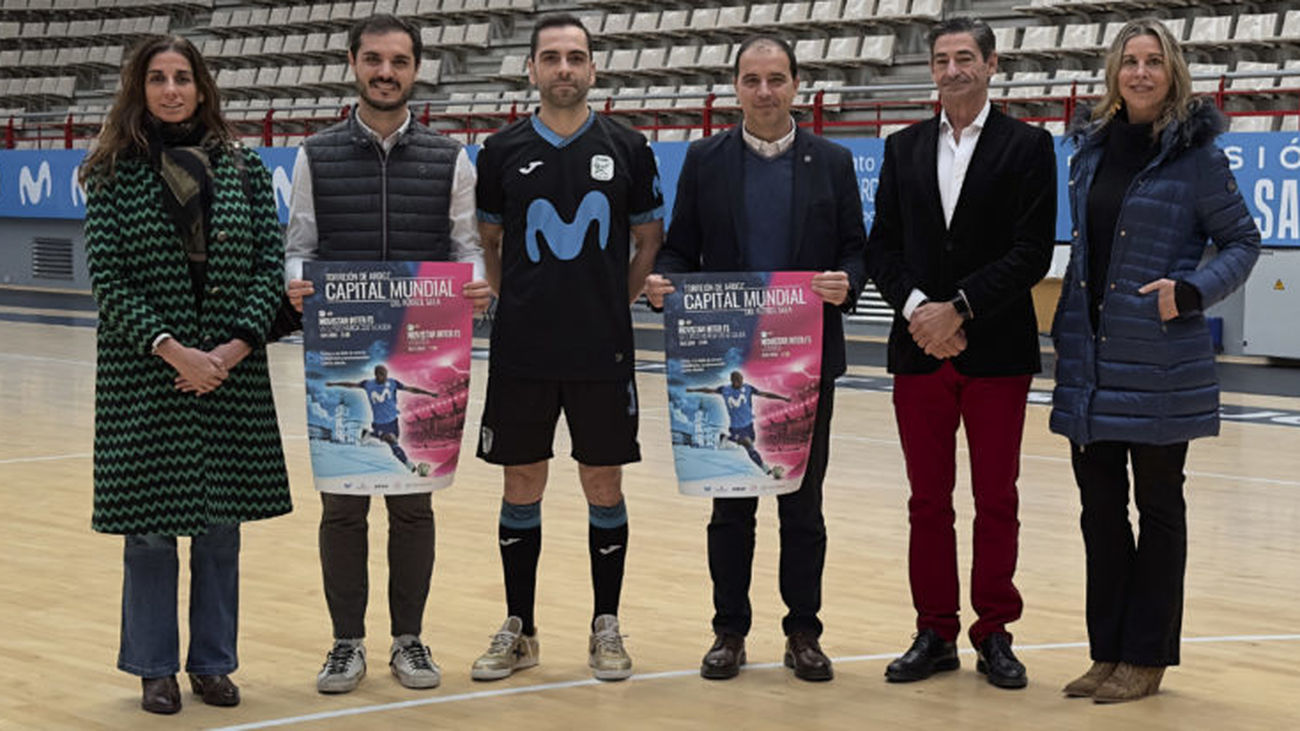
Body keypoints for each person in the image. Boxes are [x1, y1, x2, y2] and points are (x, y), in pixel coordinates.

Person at [81, 34, 292, 715]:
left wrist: (227, 352)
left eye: (182, 77)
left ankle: (212, 663)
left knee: (220, 526)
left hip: (230, 373)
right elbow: (109, 282)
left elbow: (269, 267)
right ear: (138, 90)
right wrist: (175, 351)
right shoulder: (110, 172)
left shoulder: (245, 167)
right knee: (149, 531)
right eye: (157, 78)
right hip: (146, 375)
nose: (171, 90)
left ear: (202, 88)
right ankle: (153, 668)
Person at [1050, 17, 1259, 703]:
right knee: (1099, 511)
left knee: (1159, 508)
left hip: (1161, 362)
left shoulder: (1197, 156)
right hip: (1090, 360)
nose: (1141, 73)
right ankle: (1107, 651)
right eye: (1130, 61)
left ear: (1173, 73)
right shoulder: (1089, 150)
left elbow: (1242, 242)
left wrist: (1192, 290)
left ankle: (1146, 657)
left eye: (1154, 62)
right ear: (1114, 72)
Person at [646, 34, 867, 682]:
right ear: (735, 88)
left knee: (802, 505)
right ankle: (729, 630)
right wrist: (664, 281)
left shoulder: (832, 161)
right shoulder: (704, 159)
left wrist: (846, 282)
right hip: (726, 356)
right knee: (731, 506)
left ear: (797, 84)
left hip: (805, 358)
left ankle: (804, 631)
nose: (765, 91)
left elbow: (856, 250)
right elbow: (680, 248)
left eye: (776, 79)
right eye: (752, 80)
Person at [281, 14, 490, 694]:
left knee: (412, 507)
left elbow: (465, 246)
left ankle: (408, 640)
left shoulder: (450, 157)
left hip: (424, 349)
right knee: (342, 509)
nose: (386, 72)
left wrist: (475, 285)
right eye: (374, 59)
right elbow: (299, 244)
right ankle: (346, 643)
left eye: (399, 62)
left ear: (415, 69)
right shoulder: (315, 154)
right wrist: (296, 282)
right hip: (339, 349)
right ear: (353, 63)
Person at [470, 13, 664, 682]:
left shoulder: (629, 147)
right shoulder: (500, 151)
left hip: (600, 351)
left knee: (602, 482)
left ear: (592, 68)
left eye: (575, 57)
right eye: (550, 57)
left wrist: (615, 301)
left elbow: (648, 241)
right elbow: (489, 242)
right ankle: (519, 628)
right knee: (521, 481)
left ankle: (605, 624)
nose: (563, 68)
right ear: (531, 68)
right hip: (522, 350)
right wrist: (518, 303)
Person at [864, 17, 1056, 689]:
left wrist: (961, 308)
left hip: (996, 351)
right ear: (932, 69)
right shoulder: (902, 146)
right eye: (942, 59)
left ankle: (994, 631)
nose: (953, 70)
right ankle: (935, 630)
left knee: (996, 497)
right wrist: (921, 310)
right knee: (927, 501)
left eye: (965, 57)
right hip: (919, 349)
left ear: (992, 64)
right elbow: (882, 247)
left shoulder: (1029, 145)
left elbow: (1032, 252)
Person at [326, 364, 439, 474]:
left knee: (394, 444)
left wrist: (429, 394)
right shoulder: (368, 384)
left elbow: (411, 389)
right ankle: (408, 464)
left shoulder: (393, 383)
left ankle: (371, 434)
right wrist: (334, 384)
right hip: (380, 423)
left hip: (393, 421)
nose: (385, 377)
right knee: (391, 440)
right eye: (382, 375)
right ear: (376, 374)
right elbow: (350, 385)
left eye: (386, 374)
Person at [688, 371, 790, 478]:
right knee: (749, 447)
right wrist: (694, 390)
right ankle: (767, 470)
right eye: (738, 381)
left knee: (751, 442)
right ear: (733, 381)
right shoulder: (725, 390)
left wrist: (783, 398)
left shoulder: (748, 388)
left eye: (741, 380)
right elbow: (709, 390)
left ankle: (727, 438)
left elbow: (765, 394)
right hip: (737, 428)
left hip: (749, 425)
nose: (740, 383)